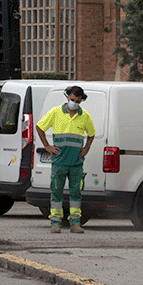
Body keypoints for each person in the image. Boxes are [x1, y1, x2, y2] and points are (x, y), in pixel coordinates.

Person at [36, 86, 96, 234]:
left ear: (81, 100)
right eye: (72, 99)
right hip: (59, 162)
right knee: (56, 191)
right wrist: (47, 146)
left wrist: (86, 148)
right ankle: (55, 223)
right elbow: (39, 127)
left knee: (76, 193)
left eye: (77, 101)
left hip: (76, 163)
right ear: (67, 97)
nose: (74, 103)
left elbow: (92, 134)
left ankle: (75, 223)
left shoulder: (85, 116)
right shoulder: (56, 112)